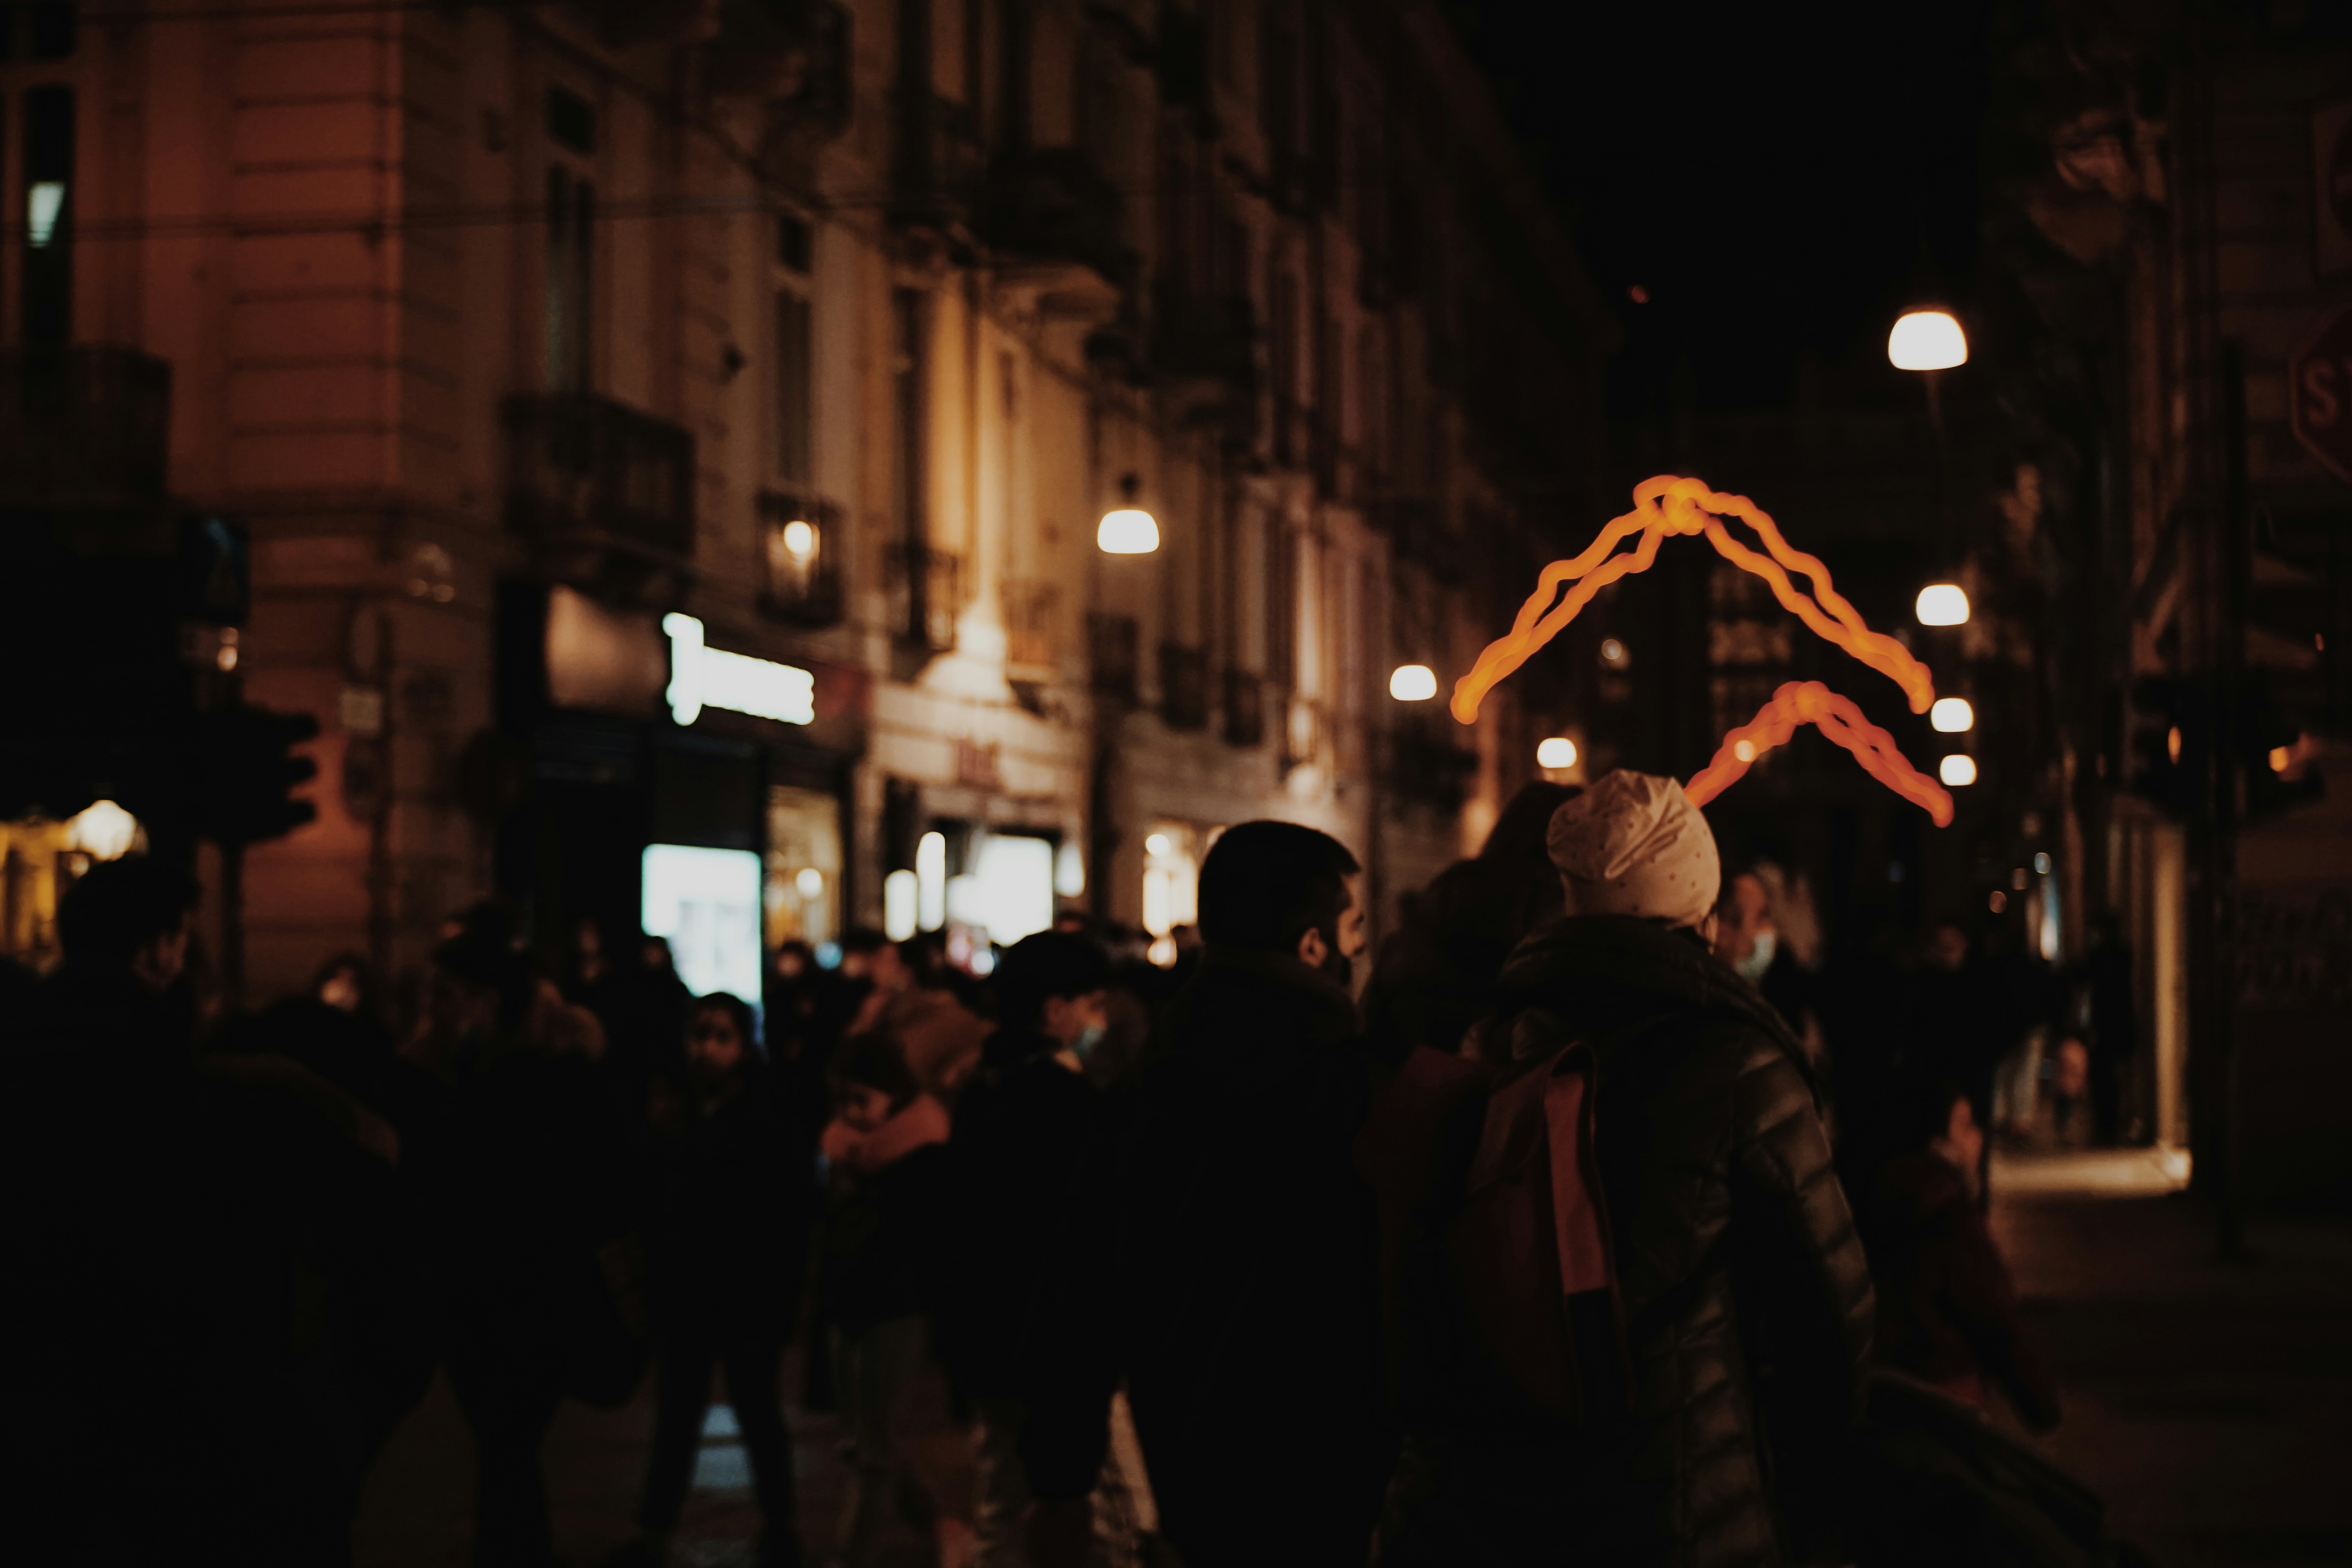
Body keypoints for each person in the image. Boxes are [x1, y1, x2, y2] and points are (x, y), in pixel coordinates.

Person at [1387, 771, 1873, 1566]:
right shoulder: (1738, 1062)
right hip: (1683, 1502)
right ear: (1699, 912)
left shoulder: (1490, 1044)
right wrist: (1808, 1484)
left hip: (1493, 1503)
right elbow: (1831, 1309)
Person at [1022, 820, 1388, 1568]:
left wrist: (1059, 1474)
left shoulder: (1148, 1086)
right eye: (1353, 929)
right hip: (1333, 1453)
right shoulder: (1353, 1091)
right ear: (1313, 946)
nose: (1360, 950)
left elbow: (1082, 1283)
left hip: (1186, 1447)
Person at [405, 918, 643, 1568]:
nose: (433, 1011)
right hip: (474, 1291)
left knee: (506, 1447)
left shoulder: (554, 1077)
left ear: (485, 1001)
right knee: (503, 1451)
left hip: (532, 1295)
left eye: (446, 996)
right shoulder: (437, 1070)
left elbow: (614, 1182)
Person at [940, 931, 1127, 1566]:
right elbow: (1084, 1229)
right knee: (1083, 1507)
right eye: (1092, 1004)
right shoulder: (1064, 1100)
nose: (1099, 1021)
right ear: (1055, 1011)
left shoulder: (983, 1088)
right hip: (1055, 1340)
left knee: (999, 1495)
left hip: (987, 1335)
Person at [612, 993, 818, 1568]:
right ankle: (656, 1526)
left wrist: (783, 1297)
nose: (706, 1049)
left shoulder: (767, 1115)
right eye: (700, 1035)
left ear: (746, 1044)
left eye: (721, 1037)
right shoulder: (677, 1110)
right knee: (678, 1413)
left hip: (747, 1292)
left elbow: (789, 1215)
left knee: (756, 1410)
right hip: (688, 1290)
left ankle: (779, 1524)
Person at [1856, 1082, 2061, 1433]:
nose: (1977, 1137)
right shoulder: (1947, 1212)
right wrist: (2040, 1402)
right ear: (1937, 1142)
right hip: (1943, 1402)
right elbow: (1991, 1312)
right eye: (1964, 1125)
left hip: (1872, 1398)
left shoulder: (1864, 1201)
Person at [819, 1032, 952, 1567]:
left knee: (873, 1453)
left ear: (892, 1096)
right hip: (849, 1307)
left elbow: (923, 1243)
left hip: (897, 1309)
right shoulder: (844, 1149)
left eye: (861, 1100)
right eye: (844, 1101)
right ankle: (943, 1525)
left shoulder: (922, 1152)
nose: (852, 1114)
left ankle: (849, 1558)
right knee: (860, 1443)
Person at [1362, 779, 1578, 1066]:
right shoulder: (1566, 912)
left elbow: (1377, 1011)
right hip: (1506, 1098)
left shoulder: (1446, 892)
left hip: (1413, 1086)